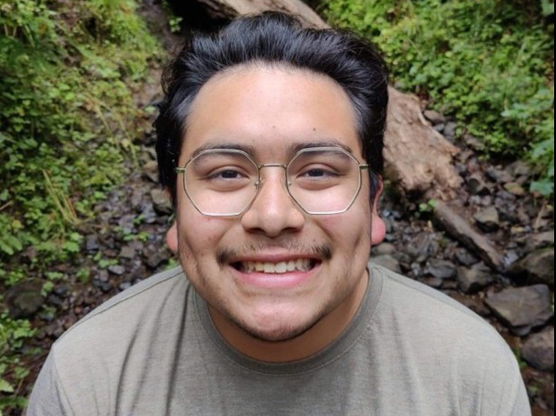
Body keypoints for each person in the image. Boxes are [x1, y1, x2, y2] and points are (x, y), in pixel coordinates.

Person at [28, 12, 530, 415]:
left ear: (374, 203)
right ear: (175, 211)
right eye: (226, 173)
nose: (273, 215)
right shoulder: (88, 378)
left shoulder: (473, 374)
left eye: (317, 172)